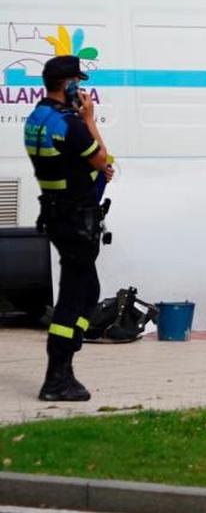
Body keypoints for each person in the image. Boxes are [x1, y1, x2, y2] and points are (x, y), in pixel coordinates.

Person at [25, 55, 114, 401]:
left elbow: (69, 164)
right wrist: (89, 119)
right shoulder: (70, 123)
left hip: (57, 213)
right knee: (73, 297)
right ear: (69, 85)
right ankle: (56, 377)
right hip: (77, 218)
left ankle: (67, 362)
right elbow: (100, 158)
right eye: (80, 82)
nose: (84, 88)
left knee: (88, 291)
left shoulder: (37, 118)